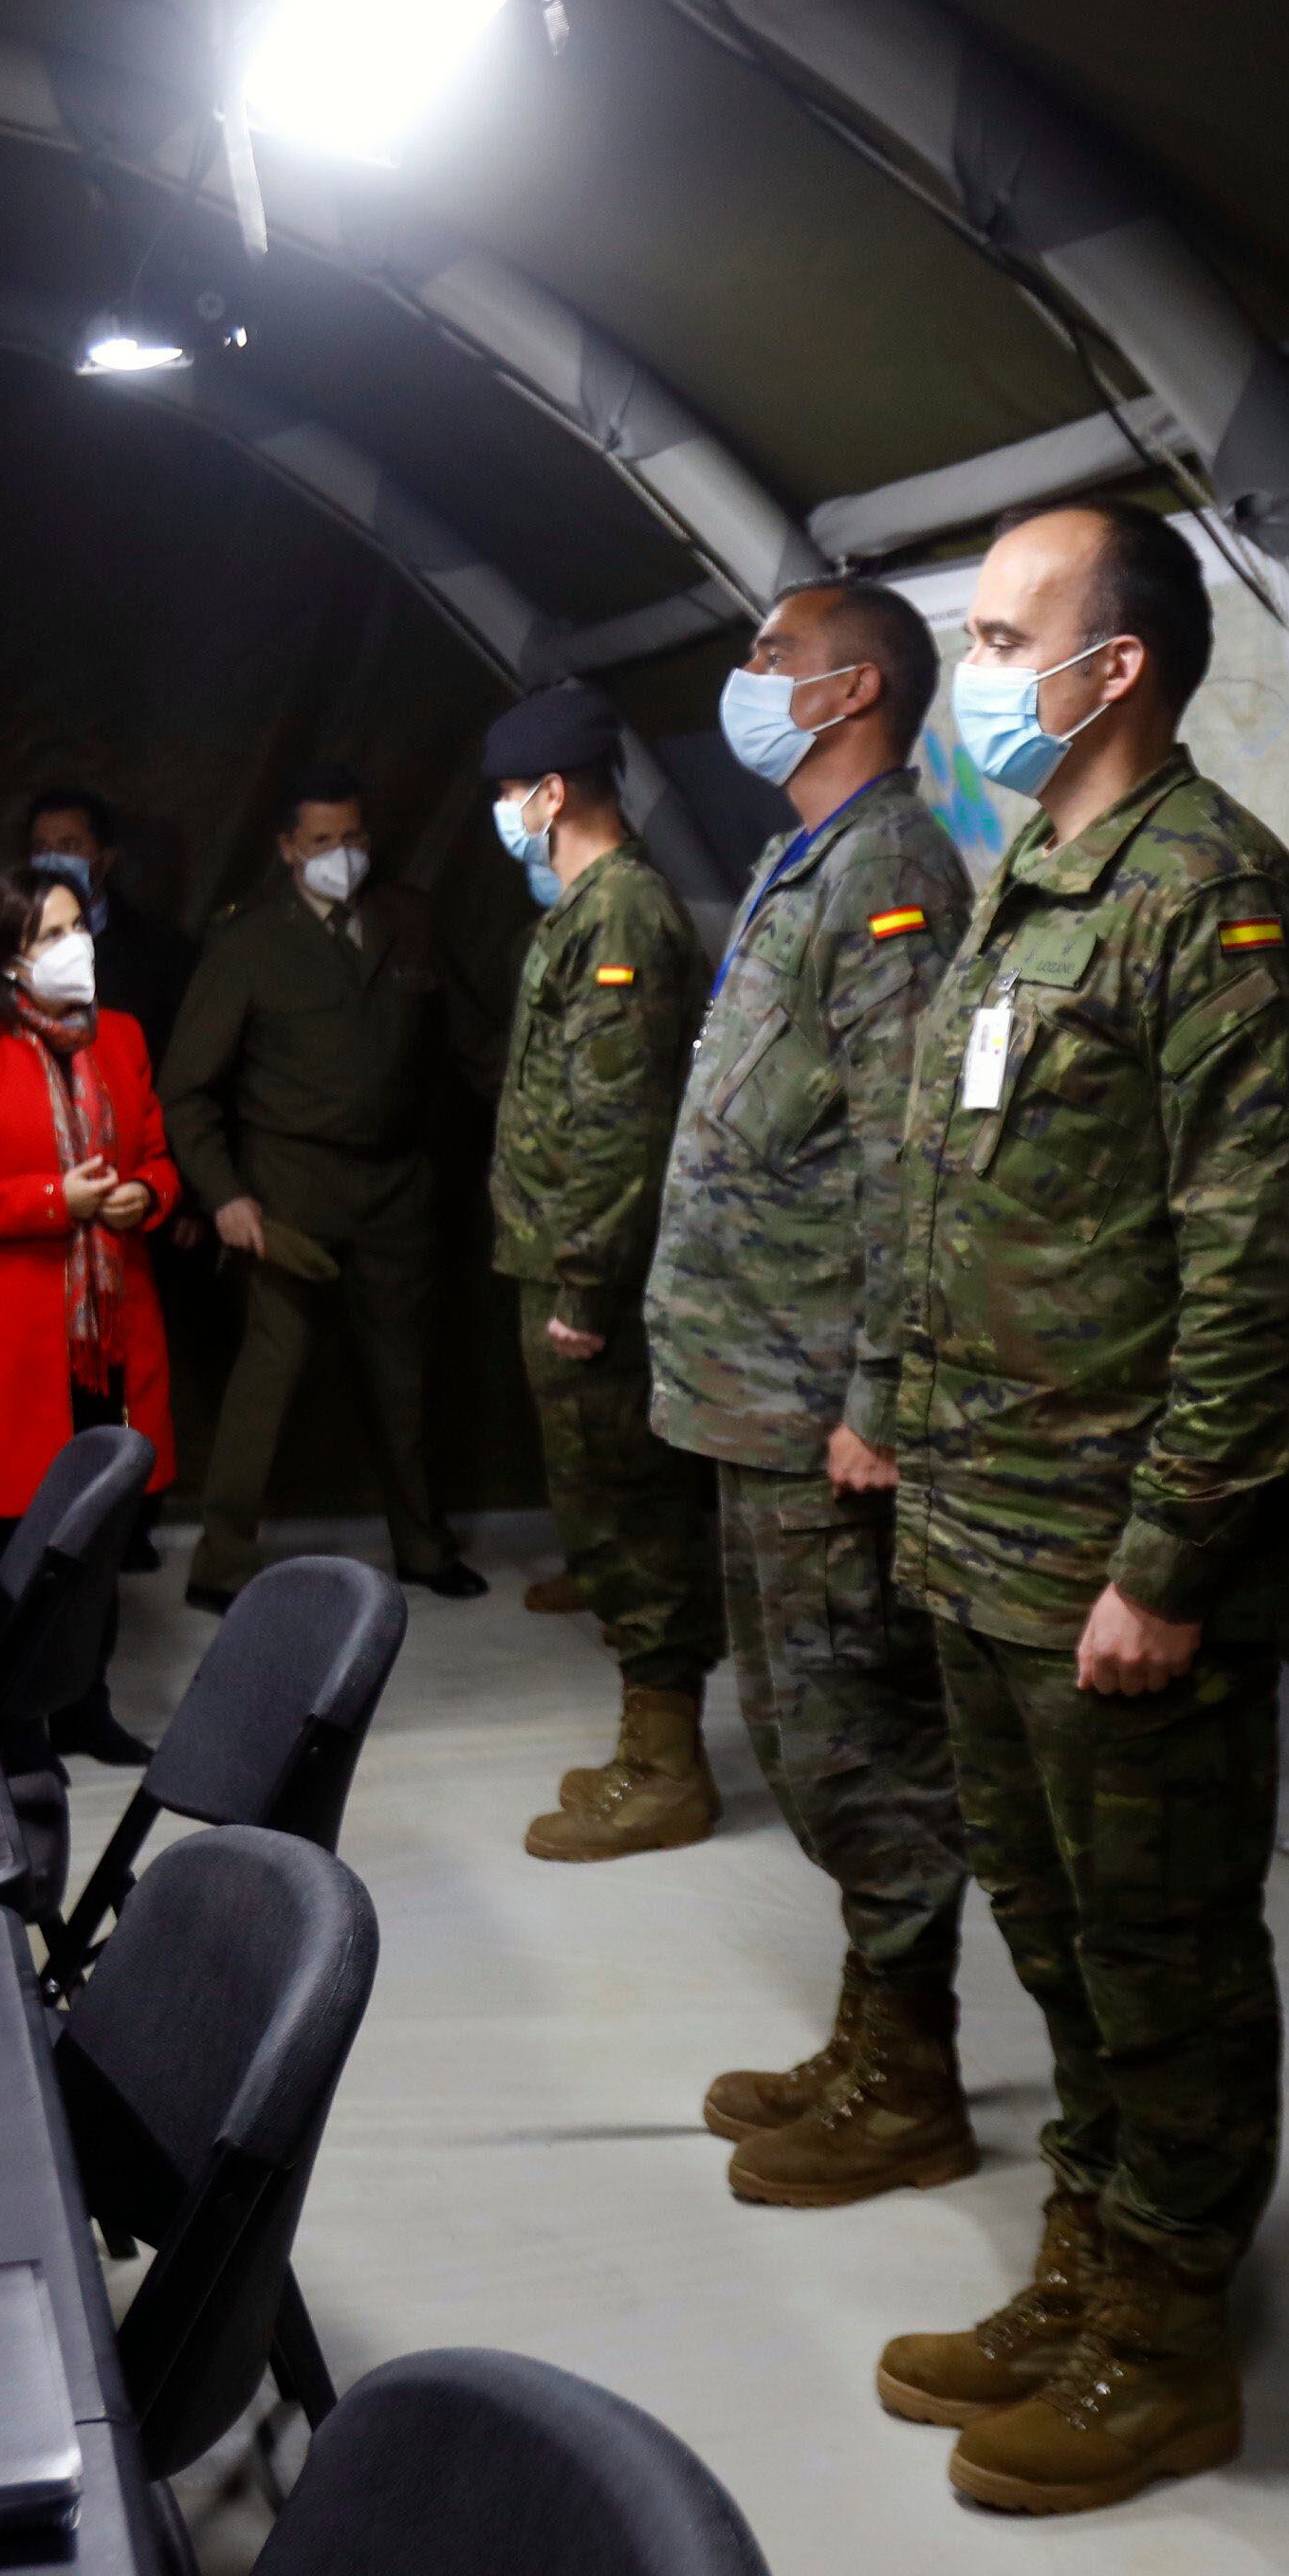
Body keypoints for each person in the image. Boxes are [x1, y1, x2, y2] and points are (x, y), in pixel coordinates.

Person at [865, 500, 1289, 2514]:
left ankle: (1166, 2334)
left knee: (1162, 1956)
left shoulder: (1216, 906)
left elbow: (1261, 1284)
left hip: (1107, 1562)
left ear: (1114, 664)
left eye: (996, 634)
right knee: (1057, 1942)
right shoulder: (1030, 876)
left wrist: (1165, 1566)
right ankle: (1089, 2250)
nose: (971, 672)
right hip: (983, 1532)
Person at [643, 578, 981, 2205]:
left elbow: (909, 1163)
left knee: (858, 1742)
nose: (743, 681)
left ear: (850, 692)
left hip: (815, 1406)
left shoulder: (893, 872)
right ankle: (868, 2030)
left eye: (766, 659)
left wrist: (882, 1397)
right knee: (794, 1732)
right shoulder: (809, 861)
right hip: (748, 1387)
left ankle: (910, 2078)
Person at [476, 685, 720, 1863]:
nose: (504, 814)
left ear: (550, 793)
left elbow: (618, 1124)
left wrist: (583, 1285)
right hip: (561, 1264)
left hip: (593, 1285)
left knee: (635, 1515)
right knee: (603, 1510)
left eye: (507, 795)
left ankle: (671, 1768)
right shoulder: (581, 912)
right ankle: (648, 1744)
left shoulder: (621, 916)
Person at [157, 764, 487, 1613]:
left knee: (404, 1378)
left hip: (398, 1189)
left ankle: (423, 1547)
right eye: (323, 841)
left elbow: (473, 1049)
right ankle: (222, 1562)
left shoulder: (406, 919)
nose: (344, 854)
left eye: (355, 837)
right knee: (268, 1382)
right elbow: (187, 1089)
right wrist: (224, 1195)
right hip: (286, 1197)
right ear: (285, 849)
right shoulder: (248, 940)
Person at [0, 862, 176, 1766]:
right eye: (51, 935)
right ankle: (16, 1724)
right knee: (17, 1541)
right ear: (7, 960)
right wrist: (55, 1199)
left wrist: (144, 1192)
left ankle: (85, 1707)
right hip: (9, 1337)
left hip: (106, 1333)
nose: (76, 946)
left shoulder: (125, 1038)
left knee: (98, 1531)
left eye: (79, 924)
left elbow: (157, 1157)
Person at [20, 785, 193, 1040]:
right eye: (42, 849)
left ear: (106, 858)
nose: (53, 861)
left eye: (69, 847)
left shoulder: (160, 950)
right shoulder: (6, 943)